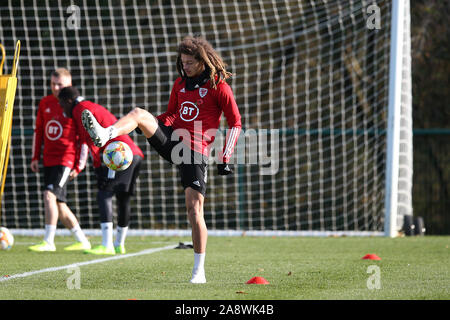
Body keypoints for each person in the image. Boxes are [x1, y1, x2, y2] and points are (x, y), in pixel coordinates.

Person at [80, 36, 241, 283]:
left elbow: (235, 122)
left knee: (194, 209)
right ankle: (106, 134)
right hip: (172, 141)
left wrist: (226, 155)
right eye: (182, 62)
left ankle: (199, 272)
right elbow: (171, 114)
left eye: (189, 63)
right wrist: (150, 124)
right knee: (139, 114)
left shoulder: (219, 87)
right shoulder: (179, 84)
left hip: (194, 151)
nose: (185, 67)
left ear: (202, 61)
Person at [58, 86, 144, 255]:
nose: (62, 109)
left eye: (61, 104)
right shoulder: (91, 106)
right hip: (134, 154)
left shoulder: (81, 110)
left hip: (118, 154)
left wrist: (93, 166)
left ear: (68, 101)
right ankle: (119, 244)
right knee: (123, 199)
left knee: (104, 194)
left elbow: (89, 141)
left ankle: (107, 245)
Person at [29, 68, 91, 252]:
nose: (56, 88)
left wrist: (79, 166)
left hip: (66, 159)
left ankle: (48, 241)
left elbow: (84, 137)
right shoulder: (45, 103)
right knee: (59, 204)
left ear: (69, 85)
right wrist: (35, 157)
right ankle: (82, 240)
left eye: (60, 85)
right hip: (48, 159)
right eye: (53, 84)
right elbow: (39, 130)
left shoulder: (75, 106)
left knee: (49, 196)